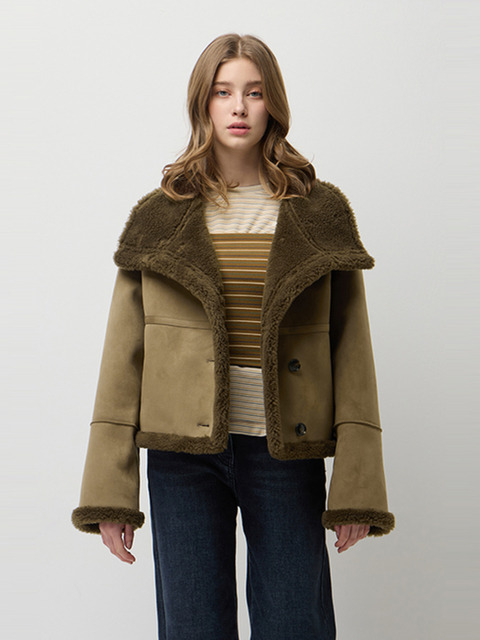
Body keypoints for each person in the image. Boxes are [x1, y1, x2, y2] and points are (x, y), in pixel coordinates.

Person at [72, 33, 395, 640]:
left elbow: (352, 353)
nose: (239, 107)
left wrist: (357, 489)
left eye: (254, 92)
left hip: (286, 450)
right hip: (182, 457)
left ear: (274, 103)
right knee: (192, 626)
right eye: (223, 93)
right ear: (204, 103)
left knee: (296, 623)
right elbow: (123, 359)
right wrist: (110, 494)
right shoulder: (159, 217)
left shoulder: (318, 213)